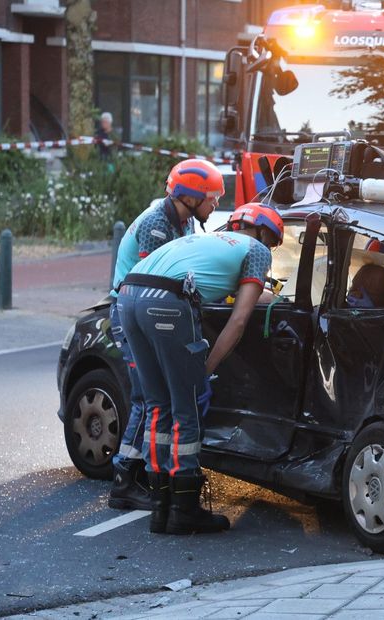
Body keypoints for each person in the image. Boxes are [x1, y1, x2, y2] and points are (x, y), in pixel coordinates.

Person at [119, 203, 283, 535]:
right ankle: (185, 509)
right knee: (187, 408)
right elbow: (238, 321)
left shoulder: (210, 242)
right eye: (274, 243)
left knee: (157, 406)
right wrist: (204, 371)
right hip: (166, 302)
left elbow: (227, 287)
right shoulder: (257, 251)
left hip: (128, 296)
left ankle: (160, 507)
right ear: (265, 234)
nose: (271, 250)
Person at [107, 158, 224, 511]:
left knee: (154, 398)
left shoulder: (184, 221)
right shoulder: (158, 224)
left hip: (148, 312)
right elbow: (154, 278)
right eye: (212, 197)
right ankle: (125, 478)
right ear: (189, 196)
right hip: (134, 314)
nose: (216, 204)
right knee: (147, 398)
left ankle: (139, 472)